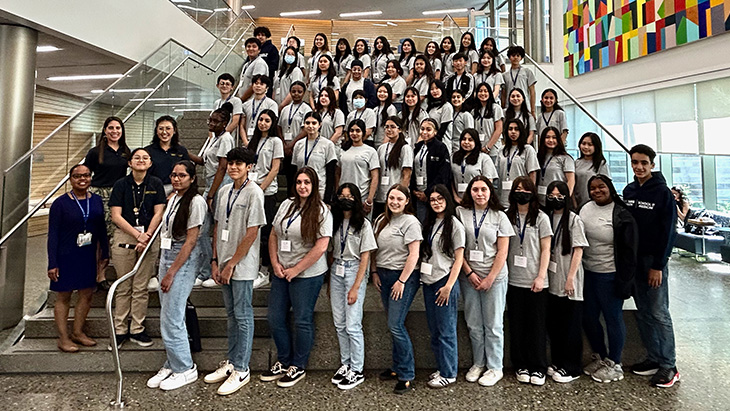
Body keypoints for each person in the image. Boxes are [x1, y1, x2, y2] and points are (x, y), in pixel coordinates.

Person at [204, 147, 266, 396]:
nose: (233, 167)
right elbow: (218, 226)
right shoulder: (224, 191)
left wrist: (231, 264)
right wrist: (216, 260)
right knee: (230, 314)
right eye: (230, 163)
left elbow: (252, 233)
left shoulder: (255, 192)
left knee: (242, 314)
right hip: (224, 261)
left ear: (249, 167)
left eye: (239, 163)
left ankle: (242, 368)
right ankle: (231, 361)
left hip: (242, 266)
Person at [263, 167, 332, 388]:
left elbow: (321, 247)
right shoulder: (286, 204)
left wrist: (297, 269)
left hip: (307, 274)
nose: (303, 186)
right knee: (275, 317)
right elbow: (274, 234)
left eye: (307, 183)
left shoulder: (322, 211)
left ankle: (298, 365)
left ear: (314, 186)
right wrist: (275, 263)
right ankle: (284, 360)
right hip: (282, 270)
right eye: (299, 182)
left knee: (302, 319)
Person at [146, 160, 207, 391]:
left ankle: (185, 367)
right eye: (173, 175)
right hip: (166, 254)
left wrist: (172, 272)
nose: (176, 179)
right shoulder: (172, 197)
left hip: (183, 259)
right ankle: (173, 361)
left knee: (171, 317)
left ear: (192, 178)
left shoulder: (196, 202)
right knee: (170, 315)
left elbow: (191, 240)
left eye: (182, 175)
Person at [623, 144, 680, 388]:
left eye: (644, 163)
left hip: (653, 262)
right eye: (635, 162)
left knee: (659, 312)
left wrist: (658, 265)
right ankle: (653, 357)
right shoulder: (629, 190)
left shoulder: (663, 193)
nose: (639, 167)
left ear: (652, 165)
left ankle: (669, 365)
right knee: (644, 311)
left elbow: (669, 232)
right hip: (635, 262)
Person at [580, 174, 638, 383]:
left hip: (610, 275)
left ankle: (615, 362)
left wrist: (625, 280)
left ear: (610, 188)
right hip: (587, 273)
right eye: (592, 188)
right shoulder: (586, 208)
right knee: (589, 317)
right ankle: (600, 355)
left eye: (601, 187)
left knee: (612, 318)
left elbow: (630, 252)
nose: (597, 191)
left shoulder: (622, 214)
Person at [457, 176, 513, 387]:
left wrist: (490, 278)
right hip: (468, 276)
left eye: (483, 189)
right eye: (475, 190)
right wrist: (470, 273)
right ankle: (478, 363)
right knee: (473, 324)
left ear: (490, 192)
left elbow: (503, 251)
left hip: (495, 278)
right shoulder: (461, 214)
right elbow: (457, 248)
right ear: (469, 192)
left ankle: (495, 367)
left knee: (494, 325)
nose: (479, 194)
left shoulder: (500, 216)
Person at [108, 148, 166, 350]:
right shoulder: (121, 185)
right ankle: (119, 330)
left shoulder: (156, 183)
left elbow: (159, 212)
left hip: (149, 236)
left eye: (145, 158)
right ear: (130, 163)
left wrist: (147, 236)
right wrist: (137, 235)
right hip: (126, 236)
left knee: (141, 288)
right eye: (136, 158)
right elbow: (116, 216)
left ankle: (137, 329)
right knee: (124, 286)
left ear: (150, 163)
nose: (141, 160)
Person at [47, 164, 109, 352]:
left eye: (86, 175)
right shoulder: (60, 203)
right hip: (66, 255)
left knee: (87, 294)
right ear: (70, 179)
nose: (82, 179)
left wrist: (104, 253)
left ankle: (77, 332)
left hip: (87, 254)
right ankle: (63, 337)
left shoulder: (97, 200)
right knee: (64, 295)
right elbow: (53, 235)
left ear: (91, 178)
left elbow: (101, 230)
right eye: (77, 176)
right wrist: (53, 263)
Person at [371, 184, 422, 394]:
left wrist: (401, 281)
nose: (394, 202)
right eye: (392, 198)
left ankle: (407, 374)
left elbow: (414, 254)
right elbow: (373, 248)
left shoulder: (411, 222)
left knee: (395, 324)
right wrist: (374, 272)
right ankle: (396, 366)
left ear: (407, 201)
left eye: (399, 199)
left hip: (403, 277)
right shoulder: (380, 220)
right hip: (383, 273)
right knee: (393, 324)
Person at [328, 183, 378, 390]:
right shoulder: (334, 222)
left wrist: (356, 286)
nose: (345, 199)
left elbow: (366, 258)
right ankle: (346, 363)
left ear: (357, 199)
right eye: (342, 195)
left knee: (353, 324)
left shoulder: (363, 224)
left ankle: (357, 369)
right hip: (336, 269)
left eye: (350, 196)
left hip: (354, 269)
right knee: (339, 323)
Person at [504, 176, 552, 386]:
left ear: (532, 193)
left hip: (535, 281)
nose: (521, 193)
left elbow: (546, 249)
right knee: (517, 325)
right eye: (518, 189)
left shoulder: (541, 217)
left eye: (525, 189)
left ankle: (538, 366)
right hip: (513, 280)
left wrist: (541, 276)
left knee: (537, 326)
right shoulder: (507, 216)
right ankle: (520, 364)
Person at [543, 181, 589, 383]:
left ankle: (572, 366)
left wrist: (570, 278)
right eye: (551, 195)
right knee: (556, 325)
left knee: (571, 326)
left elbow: (578, 250)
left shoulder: (574, 219)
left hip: (569, 280)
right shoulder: (547, 217)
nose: (555, 199)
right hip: (552, 281)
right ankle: (558, 361)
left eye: (559, 195)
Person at [420, 184, 465, 389]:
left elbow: (458, 258)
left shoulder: (454, 224)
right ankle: (441, 366)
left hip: (445, 281)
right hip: (429, 282)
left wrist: (449, 285)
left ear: (447, 200)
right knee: (434, 329)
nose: (436, 203)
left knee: (446, 330)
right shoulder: (428, 223)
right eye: (433, 199)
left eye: (440, 199)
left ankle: (449, 372)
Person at [196, 106, 236, 287]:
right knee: (203, 231)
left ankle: (213, 271)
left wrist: (211, 194)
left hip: (219, 184)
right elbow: (205, 161)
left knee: (214, 230)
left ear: (225, 123)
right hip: (211, 183)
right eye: (210, 120)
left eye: (215, 121)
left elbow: (222, 167)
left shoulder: (226, 138)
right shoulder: (214, 138)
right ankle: (205, 270)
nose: (211, 123)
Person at [247, 109, 284, 286]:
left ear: (272, 123)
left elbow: (275, 168)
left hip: (266, 192)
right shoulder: (253, 142)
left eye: (267, 120)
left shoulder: (275, 141)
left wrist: (260, 189)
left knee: (266, 231)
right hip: (251, 189)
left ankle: (265, 269)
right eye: (260, 119)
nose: (263, 123)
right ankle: (252, 266)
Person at [84, 116, 131, 246]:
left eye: (118, 128)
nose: (114, 131)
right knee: (99, 229)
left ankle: (113, 259)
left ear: (122, 130)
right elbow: (86, 174)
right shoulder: (95, 152)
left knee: (116, 228)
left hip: (119, 194)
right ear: (105, 130)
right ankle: (98, 261)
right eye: (110, 128)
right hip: (99, 194)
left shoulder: (126, 151)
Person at [291, 111, 338, 203]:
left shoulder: (327, 145)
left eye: (314, 123)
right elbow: (294, 170)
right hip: (302, 189)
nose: (310, 126)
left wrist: (327, 199)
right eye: (307, 123)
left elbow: (330, 173)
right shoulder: (298, 144)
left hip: (319, 190)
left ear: (320, 125)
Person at [412, 118, 452, 221]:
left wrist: (428, 192)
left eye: (428, 129)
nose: (424, 132)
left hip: (434, 193)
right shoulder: (417, 146)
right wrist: (414, 190)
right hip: (418, 193)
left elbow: (443, 173)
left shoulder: (441, 147)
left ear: (435, 132)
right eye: (422, 129)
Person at [339, 119, 379, 218]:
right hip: (344, 197)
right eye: (352, 130)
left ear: (363, 132)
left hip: (362, 196)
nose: (354, 133)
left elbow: (375, 176)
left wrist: (369, 199)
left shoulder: (370, 151)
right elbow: (337, 173)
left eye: (358, 131)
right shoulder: (342, 150)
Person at [374, 117, 413, 218]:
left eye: (392, 127)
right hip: (381, 194)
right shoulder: (382, 148)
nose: (389, 129)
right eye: (386, 127)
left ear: (399, 129)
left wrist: (401, 193)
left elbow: (407, 174)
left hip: (395, 194)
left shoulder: (405, 148)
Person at [145, 116, 192, 196]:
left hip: (176, 190)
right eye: (161, 128)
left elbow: (187, 172)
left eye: (168, 128)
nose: (164, 132)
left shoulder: (181, 151)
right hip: (152, 190)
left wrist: (175, 192)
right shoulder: (148, 151)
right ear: (156, 131)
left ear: (174, 131)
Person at [497, 119, 539, 208]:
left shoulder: (528, 149)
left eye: (516, 129)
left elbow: (532, 174)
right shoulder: (501, 150)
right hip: (503, 197)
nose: (513, 132)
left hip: (521, 196)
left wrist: (530, 194)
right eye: (510, 129)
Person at [451, 129, 498, 203]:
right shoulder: (453, 157)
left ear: (476, 142)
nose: (466, 142)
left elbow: (488, 182)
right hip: (458, 200)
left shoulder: (484, 158)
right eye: (464, 139)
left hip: (478, 200)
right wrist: (455, 197)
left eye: (470, 140)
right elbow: (451, 180)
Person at [536, 126, 575, 205]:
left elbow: (571, 181)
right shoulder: (538, 157)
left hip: (558, 200)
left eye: (554, 137)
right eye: (547, 137)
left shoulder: (565, 158)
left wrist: (565, 198)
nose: (551, 140)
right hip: (540, 201)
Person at [573, 132, 610, 208]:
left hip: (594, 204)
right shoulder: (576, 163)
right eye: (583, 143)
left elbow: (607, 186)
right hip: (577, 203)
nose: (586, 147)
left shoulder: (601, 164)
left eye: (590, 145)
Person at [240, 74, 278, 147]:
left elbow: (273, 124)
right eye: (256, 83)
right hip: (247, 141)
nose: (258, 86)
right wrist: (245, 142)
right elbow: (242, 125)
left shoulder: (272, 104)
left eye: (261, 84)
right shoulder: (245, 105)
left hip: (263, 142)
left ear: (266, 88)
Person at [472, 82, 504, 163]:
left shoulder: (496, 108)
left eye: (485, 91)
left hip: (492, 149)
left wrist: (488, 147)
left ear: (490, 93)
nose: (483, 93)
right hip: (479, 150)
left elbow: (499, 129)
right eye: (480, 91)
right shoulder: (474, 110)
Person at [502, 45, 536, 116]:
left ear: (521, 57)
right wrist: (503, 107)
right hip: (509, 107)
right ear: (509, 57)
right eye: (513, 55)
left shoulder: (527, 72)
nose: (515, 57)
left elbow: (532, 92)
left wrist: (533, 110)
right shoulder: (505, 75)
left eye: (518, 55)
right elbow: (503, 93)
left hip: (525, 106)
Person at [315, 87, 347, 154]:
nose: (323, 98)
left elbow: (338, 133)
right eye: (321, 95)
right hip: (317, 148)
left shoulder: (337, 113)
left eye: (326, 96)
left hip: (332, 148)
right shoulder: (317, 112)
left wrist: (326, 146)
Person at [238, 37, 269, 102]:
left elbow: (256, 84)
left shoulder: (259, 64)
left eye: (254, 46)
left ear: (259, 50)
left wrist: (242, 99)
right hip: (245, 100)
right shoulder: (247, 64)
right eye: (248, 46)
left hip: (252, 100)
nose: (251, 48)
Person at [427, 80, 454, 144]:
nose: (434, 91)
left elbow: (443, 128)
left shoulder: (446, 106)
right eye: (432, 89)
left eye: (437, 88)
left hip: (442, 142)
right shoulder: (430, 107)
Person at [449, 89, 475, 154]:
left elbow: (470, 132)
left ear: (463, 99)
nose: (456, 99)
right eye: (453, 97)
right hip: (450, 144)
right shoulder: (449, 113)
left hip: (461, 146)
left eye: (458, 97)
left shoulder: (466, 115)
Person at [372, 83, 398, 148]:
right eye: (380, 91)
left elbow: (391, 128)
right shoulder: (376, 109)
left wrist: (384, 144)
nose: (382, 94)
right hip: (375, 141)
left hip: (385, 142)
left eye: (385, 92)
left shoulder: (391, 108)